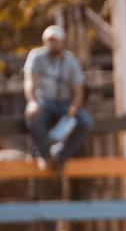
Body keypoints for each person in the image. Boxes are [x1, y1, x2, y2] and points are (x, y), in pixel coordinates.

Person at [23, 25, 93, 169]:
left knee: (85, 121)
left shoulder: (71, 61)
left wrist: (74, 107)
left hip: (65, 104)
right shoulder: (37, 57)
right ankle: (45, 157)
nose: (53, 44)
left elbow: (79, 89)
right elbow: (30, 81)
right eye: (50, 40)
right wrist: (32, 102)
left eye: (56, 40)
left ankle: (61, 156)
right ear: (44, 41)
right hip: (44, 102)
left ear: (63, 41)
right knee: (34, 117)